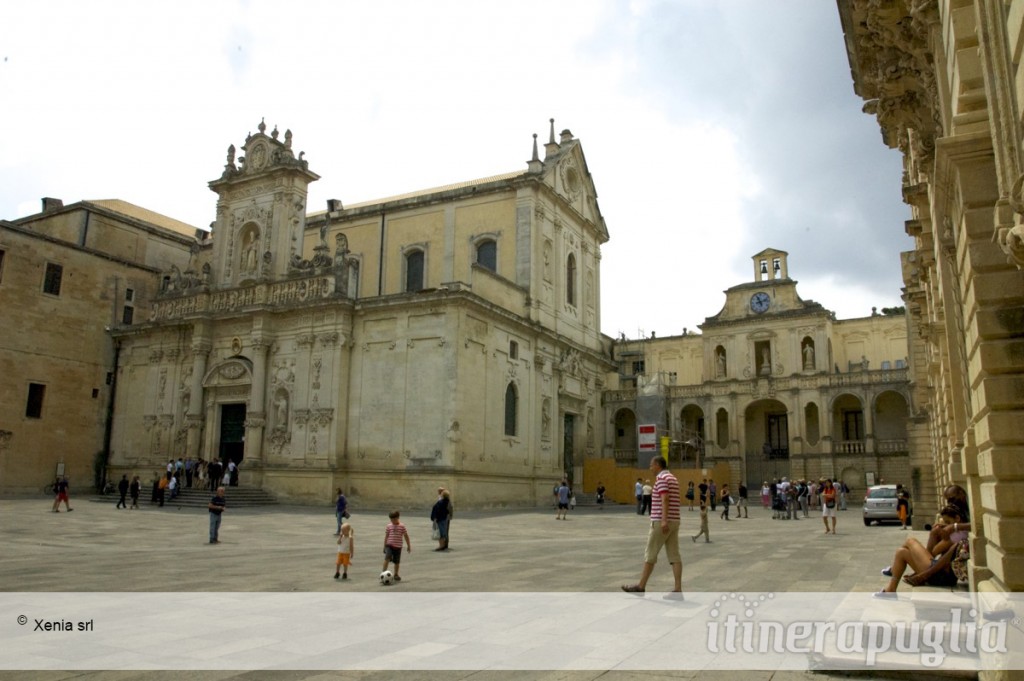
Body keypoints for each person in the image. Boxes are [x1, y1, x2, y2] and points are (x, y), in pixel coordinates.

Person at [621, 456, 683, 595]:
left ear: (657, 465)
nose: (650, 468)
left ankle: (641, 586)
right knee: (674, 555)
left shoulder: (661, 479)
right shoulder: (673, 478)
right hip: (675, 520)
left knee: (650, 553)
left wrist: (663, 520)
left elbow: (665, 498)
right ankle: (678, 588)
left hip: (662, 521)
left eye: (651, 465)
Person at [877, 506, 964, 595]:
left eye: (948, 522)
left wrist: (922, 575)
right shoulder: (959, 533)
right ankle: (891, 589)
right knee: (901, 552)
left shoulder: (957, 536)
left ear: (957, 518)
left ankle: (893, 570)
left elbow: (936, 552)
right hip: (940, 574)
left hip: (941, 576)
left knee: (910, 541)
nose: (946, 525)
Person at [381, 510, 411, 582]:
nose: (393, 521)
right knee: (387, 558)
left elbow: (406, 536)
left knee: (397, 562)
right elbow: (386, 536)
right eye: (391, 519)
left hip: (398, 547)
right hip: (389, 545)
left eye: (394, 519)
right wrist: (384, 546)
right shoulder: (389, 526)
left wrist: (408, 545)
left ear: (398, 518)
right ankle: (383, 573)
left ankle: (396, 574)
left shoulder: (402, 526)